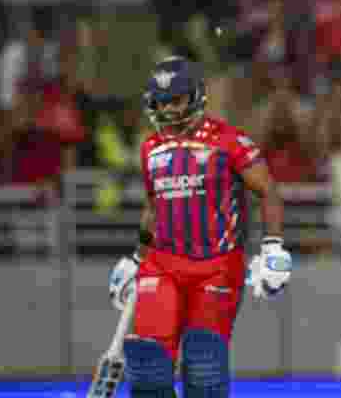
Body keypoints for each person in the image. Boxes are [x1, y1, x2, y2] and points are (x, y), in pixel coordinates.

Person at [107, 56, 292, 398]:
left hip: (217, 267)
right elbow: (154, 208)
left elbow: (268, 191)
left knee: (203, 368)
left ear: (196, 96)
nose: (168, 109)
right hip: (161, 266)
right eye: (162, 102)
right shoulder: (150, 149)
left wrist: (273, 247)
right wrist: (135, 260)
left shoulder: (230, 141)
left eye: (176, 100)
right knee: (148, 369)